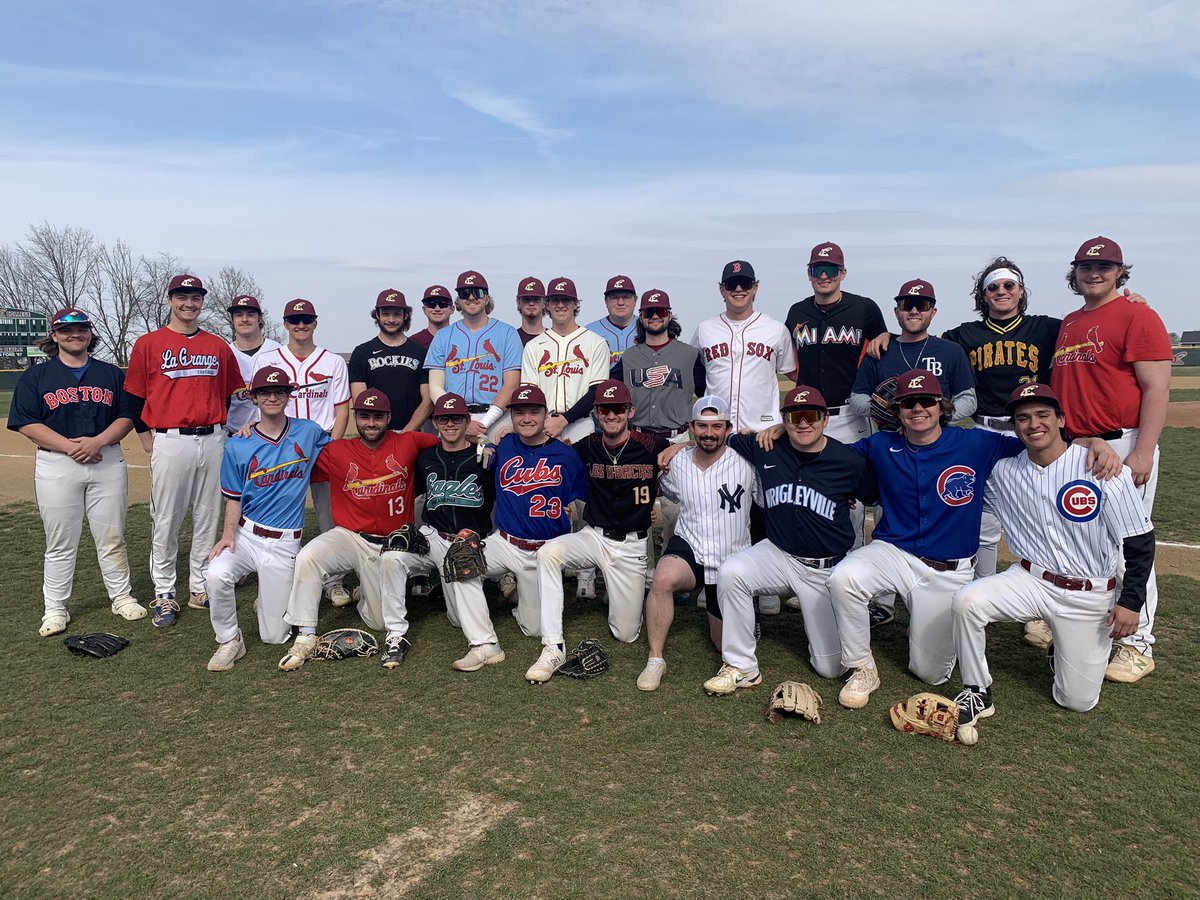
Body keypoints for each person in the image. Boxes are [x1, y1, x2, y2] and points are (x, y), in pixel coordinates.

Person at [827, 369, 1118, 709]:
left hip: (948, 571)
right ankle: (861, 666)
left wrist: (1091, 441)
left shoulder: (975, 442)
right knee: (843, 577)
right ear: (898, 411)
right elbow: (827, 452)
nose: (917, 409)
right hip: (892, 552)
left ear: (941, 407)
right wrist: (781, 430)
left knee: (931, 674)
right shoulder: (881, 444)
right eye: (908, 403)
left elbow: (1042, 442)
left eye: (926, 401)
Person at [950, 384, 1154, 740]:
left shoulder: (1102, 469)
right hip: (1031, 580)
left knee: (1076, 700)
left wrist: (1131, 602)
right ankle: (978, 690)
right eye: (1023, 418)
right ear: (1014, 427)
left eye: (1043, 415)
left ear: (1061, 420)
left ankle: (1063, 645)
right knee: (967, 601)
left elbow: (1139, 542)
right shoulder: (1003, 473)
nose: (1033, 424)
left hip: (1089, 593)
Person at [700, 385, 879, 695]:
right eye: (794, 416)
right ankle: (741, 666)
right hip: (778, 553)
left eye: (811, 415)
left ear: (825, 420)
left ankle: (860, 658)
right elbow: (718, 438)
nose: (803, 423)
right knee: (732, 572)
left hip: (825, 567)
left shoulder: (848, 460)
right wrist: (679, 447)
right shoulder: (766, 446)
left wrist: (845, 496)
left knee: (830, 668)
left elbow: (873, 496)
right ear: (783, 420)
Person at [1051, 236, 1172, 683]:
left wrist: (1142, 451)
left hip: (1122, 444)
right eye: (1086, 265)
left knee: (1129, 543)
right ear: (1075, 271)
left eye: (1104, 266)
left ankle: (1139, 644)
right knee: (1084, 542)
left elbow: (1157, 388)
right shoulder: (1069, 322)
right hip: (1077, 445)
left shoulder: (1138, 314)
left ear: (1121, 271)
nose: (1094, 272)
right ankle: (1085, 624)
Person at [277, 390, 438, 671]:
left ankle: (366, 590)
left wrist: (484, 440)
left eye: (378, 416)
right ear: (356, 418)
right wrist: (249, 432)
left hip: (392, 543)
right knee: (309, 556)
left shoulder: (409, 441)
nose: (371, 423)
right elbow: (289, 453)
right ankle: (305, 634)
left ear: (389, 417)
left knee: (378, 622)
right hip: (350, 536)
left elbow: (450, 440)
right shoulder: (336, 450)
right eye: (365, 416)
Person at [9, 307, 143, 636]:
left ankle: (122, 597)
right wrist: (72, 447)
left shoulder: (110, 373)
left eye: (81, 329)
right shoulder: (35, 377)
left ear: (89, 333)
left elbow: (126, 416)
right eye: (66, 330)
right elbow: (27, 422)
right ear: (54, 335)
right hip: (57, 463)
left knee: (112, 537)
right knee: (59, 541)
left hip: (106, 459)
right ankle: (55, 608)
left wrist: (97, 442)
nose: (75, 334)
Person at [125, 274, 244, 626]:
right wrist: (147, 437)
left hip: (212, 438)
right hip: (170, 438)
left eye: (194, 297)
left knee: (208, 516)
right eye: (182, 297)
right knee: (167, 519)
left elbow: (227, 393)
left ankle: (199, 585)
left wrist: (220, 429)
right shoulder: (148, 344)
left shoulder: (218, 345)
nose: (188, 303)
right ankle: (164, 592)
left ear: (202, 302)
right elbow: (134, 397)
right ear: (170, 300)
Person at [532, 380, 670, 677]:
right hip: (593, 536)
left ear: (630, 411)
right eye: (604, 409)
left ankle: (615, 588)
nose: (611, 415)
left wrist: (680, 446)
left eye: (617, 409)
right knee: (549, 554)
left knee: (626, 633)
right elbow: (546, 450)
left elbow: (689, 445)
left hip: (632, 546)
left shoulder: (650, 444)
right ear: (596, 413)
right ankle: (553, 646)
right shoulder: (588, 446)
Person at [203, 366, 330, 671]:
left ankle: (268, 602)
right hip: (247, 535)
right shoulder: (238, 443)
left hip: (285, 542)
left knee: (274, 636)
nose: (272, 397)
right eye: (265, 393)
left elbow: (338, 456)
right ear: (254, 398)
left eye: (279, 392)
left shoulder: (309, 431)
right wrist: (228, 535)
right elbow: (234, 496)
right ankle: (229, 640)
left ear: (289, 396)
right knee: (216, 574)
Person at [691, 259, 797, 615]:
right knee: (720, 507)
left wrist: (779, 420)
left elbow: (790, 375)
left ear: (755, 286)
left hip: (761, 431)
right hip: (717, 433)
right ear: (721, 289)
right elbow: (697, 376)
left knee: (765, 507)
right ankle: (716, 578)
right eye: (731, 284)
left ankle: (765, 584)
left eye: (745, 283)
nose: (738, 289)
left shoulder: (775, 329)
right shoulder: (705, 330)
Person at [637, 396, 754, 691]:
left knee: (722, 643)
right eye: (702, 426)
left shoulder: (746, 463)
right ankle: (655, 659)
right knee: (662, 579)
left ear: (728, 428)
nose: (709, 432)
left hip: (731, 560)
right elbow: (656, 486)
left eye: (717, 426)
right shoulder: (677, 463)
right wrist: (677, 448)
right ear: (691, 427)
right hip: (691, 547)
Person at [481, 384, 588, 682]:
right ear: (511, 417)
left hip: (546, 549)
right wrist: (488, 440)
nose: (527, 418)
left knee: (534, 628)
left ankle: (521, 601)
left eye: (534, 411)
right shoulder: (504, 445)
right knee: (462, 563)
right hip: (506, 543)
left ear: (546, 415)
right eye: (519, 412)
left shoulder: (566, 455)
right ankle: (482, 641)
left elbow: (586, 498)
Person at [785, 241, 887, 553]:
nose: (824, 275)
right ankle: (819, 564)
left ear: (842, 273)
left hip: (850, 414)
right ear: (809, 273)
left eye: (831, 269)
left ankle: (855, 569)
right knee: (813, 491)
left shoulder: (864, 308)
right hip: (811, 416)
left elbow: (882, 343)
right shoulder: (797, 312)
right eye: (818, 269)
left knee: (853, 497)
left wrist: (885, 336)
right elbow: (789, 365)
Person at [254, 299, 352, 605]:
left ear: (315, 322)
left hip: (322, 442)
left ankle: (334, 581)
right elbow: (257, 405)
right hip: (281, 447)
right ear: (284, 324)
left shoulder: (332, 361)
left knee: (329, 515)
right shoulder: (268, 360)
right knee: (282, 516)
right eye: (294, 320)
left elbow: (341, 409)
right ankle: (277, 580)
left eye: (306, 319)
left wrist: (332, 446)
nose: (300, 325)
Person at [415, 392, 506, 672]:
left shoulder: (485, 458)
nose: (450, 423)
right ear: (435, 422)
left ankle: (486, 645)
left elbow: (498, 499)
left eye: (457, 418)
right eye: (444, 418)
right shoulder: (425, 457)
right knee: (392, 558)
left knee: (463, 560)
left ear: (468, 421)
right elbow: (420, 495)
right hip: (435, 536)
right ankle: (394, 632)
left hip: (473, 540)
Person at [622, 289, 708, 582]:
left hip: (678, 438)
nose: (655, 316)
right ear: (642, 317)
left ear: (669, 315)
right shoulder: (628, 358)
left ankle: (673, 568)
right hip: (639, 437)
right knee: (638, 506)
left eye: (661, 312)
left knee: (675, 511)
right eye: (649, 312)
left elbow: (708, 393)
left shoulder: (688, 354)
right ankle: (643, 569)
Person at [848, 279, 976, 424]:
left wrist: (935, 418)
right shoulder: (879, 350)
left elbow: (968, 399)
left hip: (938, 437)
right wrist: (892, 413)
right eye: (906, 305)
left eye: (923, 305)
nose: (914, 311)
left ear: (933, 312)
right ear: (896, 312)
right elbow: (857, 398)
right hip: (891, 437)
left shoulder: (951, 351)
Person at [425, 270, 523, 442]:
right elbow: (435, 387)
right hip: (453, 420)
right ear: (459, 301)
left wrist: (485, 423)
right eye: (464, 293)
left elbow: (512, 385)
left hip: (496, 419)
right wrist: (460, 419)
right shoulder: (443, 336)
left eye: (477, 292)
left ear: (487, 298)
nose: (471, 297)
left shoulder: (508, 333)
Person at [521, 276, 610, 443]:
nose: (560, 305)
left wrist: (564, 420)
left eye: (566, 300)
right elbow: (530, 393)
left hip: (580, 424)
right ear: (547, 304)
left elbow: (596, 392)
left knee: (578, 469)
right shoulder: (534, 346)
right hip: (543, 424)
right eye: (555, 300)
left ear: (575, 304)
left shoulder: (596, 342)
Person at [348, 288, 431, 433]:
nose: (391, 320)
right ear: (377, 315)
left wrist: (406, 433)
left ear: (405, 315)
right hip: (375, 436)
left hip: (411, 435)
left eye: (397, 314)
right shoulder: (362, 353)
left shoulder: (420, 353)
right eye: (386, 314)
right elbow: (361, 402)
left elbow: (428, 401)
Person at [224, 294, 282, 436]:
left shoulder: (278, 351)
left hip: (275, 433)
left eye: (250, 314)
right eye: (239, 315)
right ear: (232, 320)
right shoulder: (224, 354)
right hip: (234, 434)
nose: (244, 319)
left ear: (260, 318)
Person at [586, 275, 638, 377]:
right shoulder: (589, 332)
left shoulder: (649, 329)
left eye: (626, 297)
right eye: (614, 297)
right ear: (606, 301)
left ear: (635, 300)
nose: (620, 302)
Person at [409, 284, 454, 350]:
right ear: (424, 309)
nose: (437, 309)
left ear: (452, 309)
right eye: (431, 304)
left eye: (442, 304)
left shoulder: (462, 339)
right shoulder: (413, 343)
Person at [515, 277, 548, 346]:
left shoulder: (554, 339)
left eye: (536, 299)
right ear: (518, 302)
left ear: (544, 302)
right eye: (526, 299)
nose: (531, 303)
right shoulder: (512, 338)